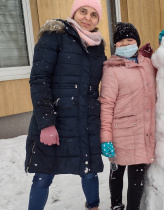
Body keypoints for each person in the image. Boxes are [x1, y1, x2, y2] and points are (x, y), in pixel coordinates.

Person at [25, 0, 106, 209]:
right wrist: (46, 122)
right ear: (74, 12)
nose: (88, 17)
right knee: (43, 175)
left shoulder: (97, 46)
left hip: (86, 122)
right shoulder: (55, 36)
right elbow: (39, 79)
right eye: (83, 11)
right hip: (55, 120)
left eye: (93, 14)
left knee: (89, 172)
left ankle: (93, 206)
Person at [100, 22, 156, 210]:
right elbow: (107, 105)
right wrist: (106, 138)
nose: (125, 44)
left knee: (136, 180)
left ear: (137, 42)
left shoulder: (148, 64)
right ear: (115, 46)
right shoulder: (111, 69)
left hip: (142, 132)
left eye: (130, 40)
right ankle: (116, 206)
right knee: (116, 174)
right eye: (120, 42)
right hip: (119, 134)